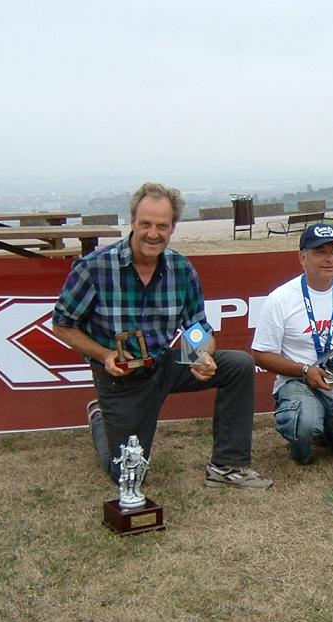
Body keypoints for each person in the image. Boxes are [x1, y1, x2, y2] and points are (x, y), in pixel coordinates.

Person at [52, 181, 272, 489]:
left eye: (162, 226)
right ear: (132, 222)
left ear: (172, 228)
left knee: (238, 364)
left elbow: (197, 327)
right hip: (120, 377)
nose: (153, 234)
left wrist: (201, 356)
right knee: (129, 473)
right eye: (146, 224)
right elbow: (62, 325)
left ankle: (228, 466)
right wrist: (105, 355)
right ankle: (100, 419)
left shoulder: (181, 268)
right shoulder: (94, 267)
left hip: (163, 364)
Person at [251, 224, 333, 467]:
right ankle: (301, 449)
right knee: (304, 422)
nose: (330, 259)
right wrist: (304, 370)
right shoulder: (281, 299)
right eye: (320, 252)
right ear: (302, 257)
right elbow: (261, 354)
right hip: (298, 384)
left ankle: (331, 429)